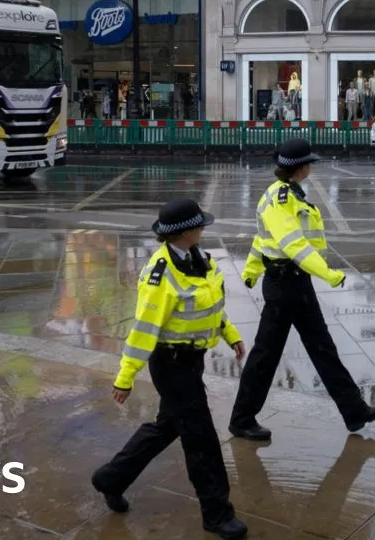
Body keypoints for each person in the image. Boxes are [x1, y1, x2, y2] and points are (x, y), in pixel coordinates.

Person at [91, 199, 248, 540]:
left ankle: (111, 478)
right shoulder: (160, 275)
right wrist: (125, 377)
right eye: (200, 225)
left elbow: (211, 307)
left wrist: (230, 334)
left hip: (192, 362)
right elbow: (143, 330)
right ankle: (217, 514)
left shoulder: (201, 261)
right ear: (187, 231)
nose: (204, 228)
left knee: (168, 426)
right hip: (170, 363)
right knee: (202, 438)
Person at [229, 138, 375, 441]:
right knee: (266, 355)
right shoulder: (280, 199)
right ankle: (241, 419)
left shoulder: (292, 194)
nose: (311, 167)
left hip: (295, 283)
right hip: (284, 284)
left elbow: (262, 241)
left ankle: (354, 411)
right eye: (309, 163)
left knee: (322, 348)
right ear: (301, 167)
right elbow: (293, 245)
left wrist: (251, 271)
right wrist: (328, 274)